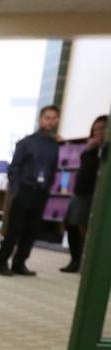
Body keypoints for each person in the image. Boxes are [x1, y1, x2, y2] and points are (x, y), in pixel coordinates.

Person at [0, 105, 61, 277]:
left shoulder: (55, 145)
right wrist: (16, 189)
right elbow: (13, 168)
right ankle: (2, 262)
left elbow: (54, 169)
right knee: (14, 228)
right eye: (47, 117)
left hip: (41, 192)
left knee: (32, 230)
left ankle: (20, 263)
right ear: (40, 119)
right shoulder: (26, 143)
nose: (51, 121)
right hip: (24, 190)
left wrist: (49, 187)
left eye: (54, 118)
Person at [63, 114, 106, 274]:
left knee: (85, 228)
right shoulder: (91, 147)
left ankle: (87, 262)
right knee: (70, 224)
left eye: (102, 128)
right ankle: (75, 259)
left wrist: (98, 147)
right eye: (95, 128)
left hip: (93, 194)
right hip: (80, 192)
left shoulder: (104, 148)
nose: (97, 132)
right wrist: (91, 148)